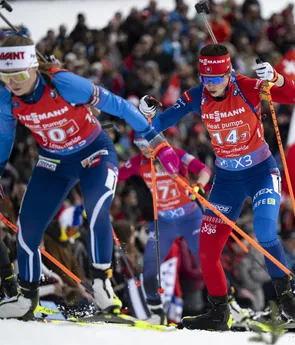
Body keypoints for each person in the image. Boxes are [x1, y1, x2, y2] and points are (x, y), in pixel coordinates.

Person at [0, 31, 179, 319]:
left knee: (96, 209)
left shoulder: (64, 83)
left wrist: (155, 139)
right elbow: (4, 137)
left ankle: (101, 282)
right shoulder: (6, 98)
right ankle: (26, 296)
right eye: (5, 76)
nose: (12, 84)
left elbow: (118, 106)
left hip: (94, 153)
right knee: (27, 228)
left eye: (19, 76)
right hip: (53, 162)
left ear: (33, 67)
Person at [140, 42, 295, 330]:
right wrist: (146, 112)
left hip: (261, 173)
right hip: (227, 180)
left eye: (216, 78)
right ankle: (219, 312)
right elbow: (160, 123)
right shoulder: (198, 95)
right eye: (205, 78)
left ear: (228, 73)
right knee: (206, 250)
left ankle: (288, 300)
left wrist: (276, 78)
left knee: (266, 231)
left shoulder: (247, 87)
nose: (211, 85)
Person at [118, 137, 211, 323]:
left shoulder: (175, 153)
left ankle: (226, 302)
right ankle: (155, 310)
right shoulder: (138, 162)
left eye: (147, 144)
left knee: (206, 260)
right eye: (139, 145)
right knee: (150, 266)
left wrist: (199, 185)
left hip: (189, 218)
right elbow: (115, 175)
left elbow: (204, 170)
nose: (144, 149)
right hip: (164, 222)